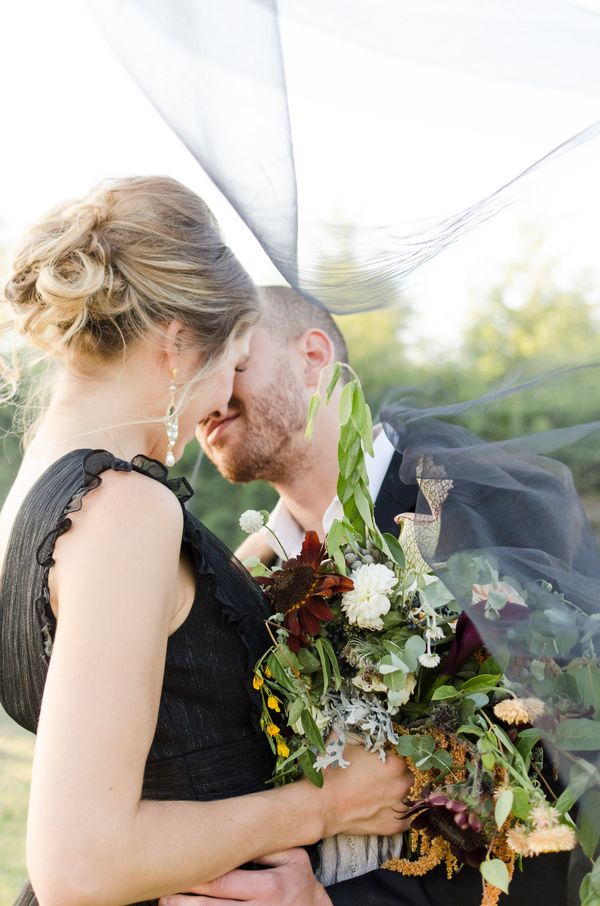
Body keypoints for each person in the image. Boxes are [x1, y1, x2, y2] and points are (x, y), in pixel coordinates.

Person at [0, 179, 414, 906]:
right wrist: (326, 806)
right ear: (176, 343)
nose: (222, 399)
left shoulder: (34, 499)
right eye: (234, 360)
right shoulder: (127, 507)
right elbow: (80, 866)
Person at [189, 284, 574, 905]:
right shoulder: (246, 579)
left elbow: (565, 801)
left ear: (314, 356)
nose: (205, 392)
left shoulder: (490, 511)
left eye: (231, 360)